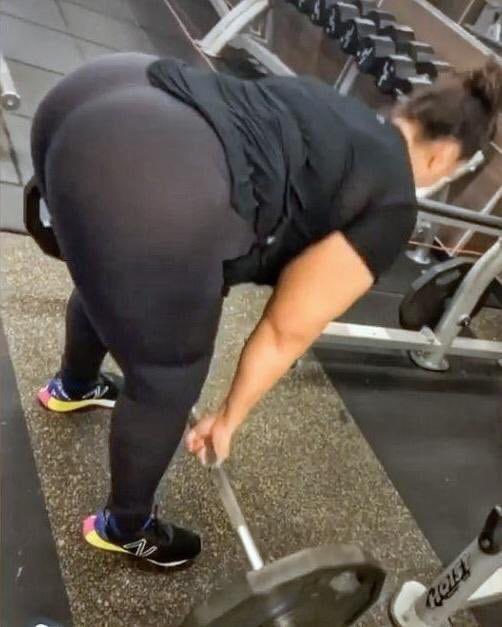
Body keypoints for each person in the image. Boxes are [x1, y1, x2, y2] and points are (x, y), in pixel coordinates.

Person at [30, 52, 502, 568]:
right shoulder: (392, 205)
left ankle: (74, 387)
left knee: (114, 276)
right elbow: (286, 329)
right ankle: (125, 527)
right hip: (140, 180)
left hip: (91, 94)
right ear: (444, 157)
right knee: (168, 377)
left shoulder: (333, 103)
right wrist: (228, 417)